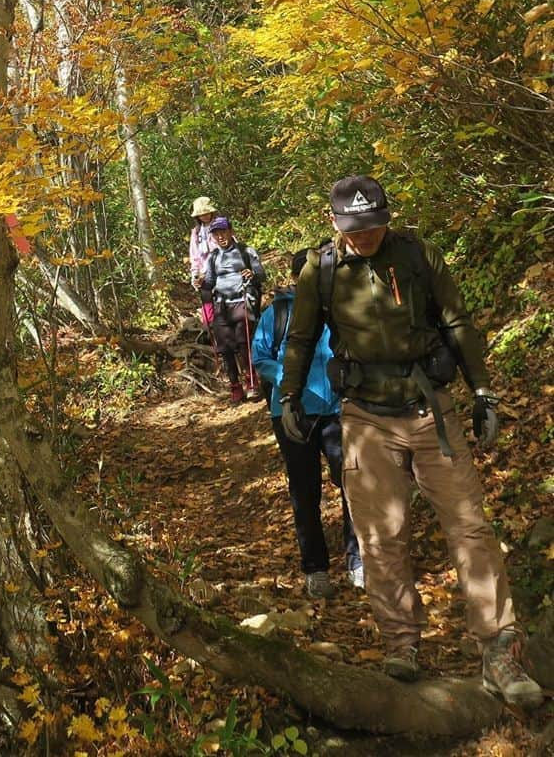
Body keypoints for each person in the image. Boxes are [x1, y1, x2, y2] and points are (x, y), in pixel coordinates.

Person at [278, 175, 542, 708]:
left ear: (387, 217)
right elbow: (302, 337)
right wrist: (288, 396)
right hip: (365, 417)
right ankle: (402, 644)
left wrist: (482, 389)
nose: (365, 236)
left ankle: (498, 650)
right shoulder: (320, 270)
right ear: (334, 222)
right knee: (380, 537)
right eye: (355, 228)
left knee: (470, 527)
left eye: (374, 225)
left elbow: (457, 321)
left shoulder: (418, 254)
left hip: (430, 408)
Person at [253, 250, 363, 598]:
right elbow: (260, 358)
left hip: (337, 409)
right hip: (290, 410)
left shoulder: (339, 312)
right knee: (305, 490)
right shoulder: (278, 313)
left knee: (351, 483)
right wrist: (289, 376)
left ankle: (357, 560)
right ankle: (315, 568)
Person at [200, 216, 265, 404]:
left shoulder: (246, 252)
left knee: (244, 343)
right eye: (216, 234)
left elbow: (261, 275)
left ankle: (252, 382)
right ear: (212, 237)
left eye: (223, 232)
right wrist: (201, 285)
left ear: (231, 231)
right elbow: (209, 283)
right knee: (226, 348)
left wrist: (252, 274)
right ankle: (235, 386)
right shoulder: (213, 258)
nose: (220, 236)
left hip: (243, 301)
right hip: (222, 305)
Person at [189, 196, 218, 330]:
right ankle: (208, 329)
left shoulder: (220, 226)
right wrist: (195, 273)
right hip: (203, 272)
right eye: (201, 214)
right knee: (206, 298)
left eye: (206, 213)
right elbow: (194, 254)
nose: (204, 216)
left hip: (221, 267)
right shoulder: (196, 232)